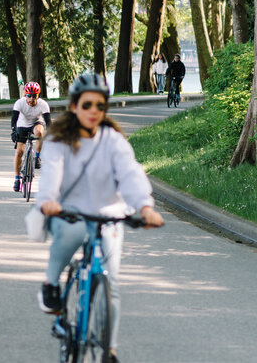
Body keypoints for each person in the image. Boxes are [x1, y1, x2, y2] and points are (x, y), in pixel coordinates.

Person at [35, 72, 164, 361]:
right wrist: (48, 202)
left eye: (100, 106)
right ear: (74, 107)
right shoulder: (58, 139)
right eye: (87, 105)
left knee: (112, 281)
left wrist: (144, 207)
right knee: (68, 235)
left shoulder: (113, 140)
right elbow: (51, 174)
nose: (94, 111)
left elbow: (130, 173)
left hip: (109, 215)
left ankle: (110, 348)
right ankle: (51, 284)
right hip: (69, 212)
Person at [11, 81, 51, 191]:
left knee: (39, 132)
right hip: (22, 125)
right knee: (19, 152)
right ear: (25, 95)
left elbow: (48, 122)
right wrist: (13, 132)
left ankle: (37, 157)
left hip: (36, 123)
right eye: (29, 96)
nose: (31, 99)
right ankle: (17, 179)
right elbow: (14, 120)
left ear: (38, 96)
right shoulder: (19, 103)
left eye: (34, 96)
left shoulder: (43, 104)